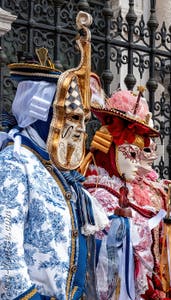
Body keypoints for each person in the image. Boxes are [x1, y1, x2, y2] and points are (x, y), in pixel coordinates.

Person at [0, 11, 108, 300]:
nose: (75, 128)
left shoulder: (59, 172)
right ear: (39, 113)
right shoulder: (15, 162)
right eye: (65, 116)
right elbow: (4, 243)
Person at [80, 88, 171, 299]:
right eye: (132, 154)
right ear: (110, 148)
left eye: (143, 155)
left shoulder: (143, 189)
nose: (141, 166)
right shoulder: (98, 194)